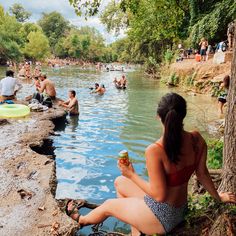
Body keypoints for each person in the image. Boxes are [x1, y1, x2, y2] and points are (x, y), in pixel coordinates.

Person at [65, 93, 236, 235]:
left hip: (163, 217)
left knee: (108, 205)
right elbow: (202, 174)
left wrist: (131, 174)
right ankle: (136, 232)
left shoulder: (155, 149)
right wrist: (218, 197)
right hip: (180, 208)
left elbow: (159, 195)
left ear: (158, 116)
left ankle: (81, 220)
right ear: (183, 115)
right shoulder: (196, 139)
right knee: (120, 182)